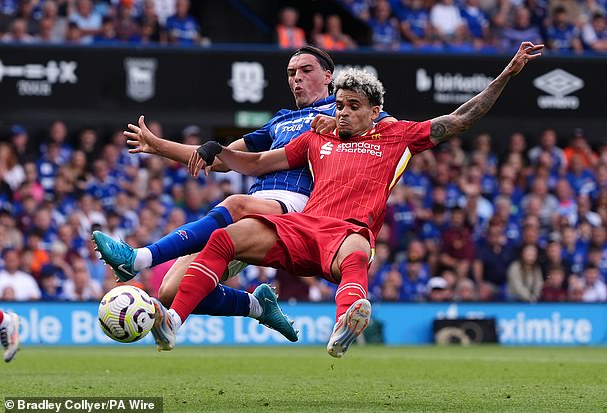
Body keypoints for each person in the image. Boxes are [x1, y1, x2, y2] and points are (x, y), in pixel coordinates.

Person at [147, 42, 544, 357]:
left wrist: (507, 74)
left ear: (375, 110)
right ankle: (173, 322)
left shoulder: (397, 135)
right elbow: (256, 163)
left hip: (345, 235)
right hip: (302, 227)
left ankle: (344, 326)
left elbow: (462, 118)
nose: (342, 113)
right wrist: (218, 150)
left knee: (357, 250)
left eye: (353, 107)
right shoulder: (316, 136)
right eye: (339, 105)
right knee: (223, 238)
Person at [94, 46, 392, 345]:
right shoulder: (281, 121)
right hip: (258, 207)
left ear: (329, 76)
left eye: (305, 70)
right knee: (172, 291)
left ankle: (137, 259)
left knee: (235, 203)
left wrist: (341, 127)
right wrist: (158, 146)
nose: (296, 78)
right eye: (291, 73)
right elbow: (223, 159)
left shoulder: (343, 110)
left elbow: (388, 127)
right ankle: (258, 306)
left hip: (300, 207)